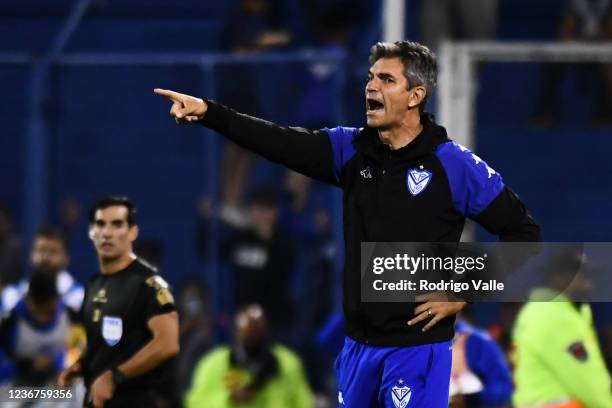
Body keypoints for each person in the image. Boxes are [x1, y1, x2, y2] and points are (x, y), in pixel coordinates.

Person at [155, 40, 541, 407]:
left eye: (386, 80)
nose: (371, 87)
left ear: (415, 96)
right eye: (370, 78)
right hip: (357, 348)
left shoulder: (453, 165)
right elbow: (278, 141)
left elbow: (524, 234)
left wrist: (464, 292)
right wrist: (210, 113)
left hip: (417, 349)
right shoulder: (351, 151)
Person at [57, 196, 179, 408]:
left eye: (117, 225)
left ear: (132, 232)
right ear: (92, 233)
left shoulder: (150, 285)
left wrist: (116, 376)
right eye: (101, 224)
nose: (107, 232)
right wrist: (79, 366)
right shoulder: (95, 285)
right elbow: (104, 343)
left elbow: (168, 344)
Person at [512, 250, 612, 407]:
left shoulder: (537, 311)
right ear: (558, 278)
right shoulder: (556, 316)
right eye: (582, 277)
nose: (588, 285)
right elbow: (587, 378)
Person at [184, 304, 314, 408]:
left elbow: (304, 403)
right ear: (236, 332)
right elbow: (194, 403)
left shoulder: (287, 363)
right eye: (248, 333)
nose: (253, 337)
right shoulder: (214, 364)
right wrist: (229, 399)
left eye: (258, 332)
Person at [0, 272, 79, 387]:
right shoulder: (10, 321)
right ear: (29, 301)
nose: (43, 317)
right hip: (17, 390)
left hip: (60, 390)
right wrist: (27, 365)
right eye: (38, 310)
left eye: (49, 311)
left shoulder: (70, 316)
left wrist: (57, 362)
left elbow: (82, 353)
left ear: (56, 300)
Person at [1, 228, 84, 314]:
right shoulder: (12, 296)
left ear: (66, 258)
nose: (45, 258)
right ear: (31, 256)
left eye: (53, 252)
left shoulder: (80, 298)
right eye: (40, 250)